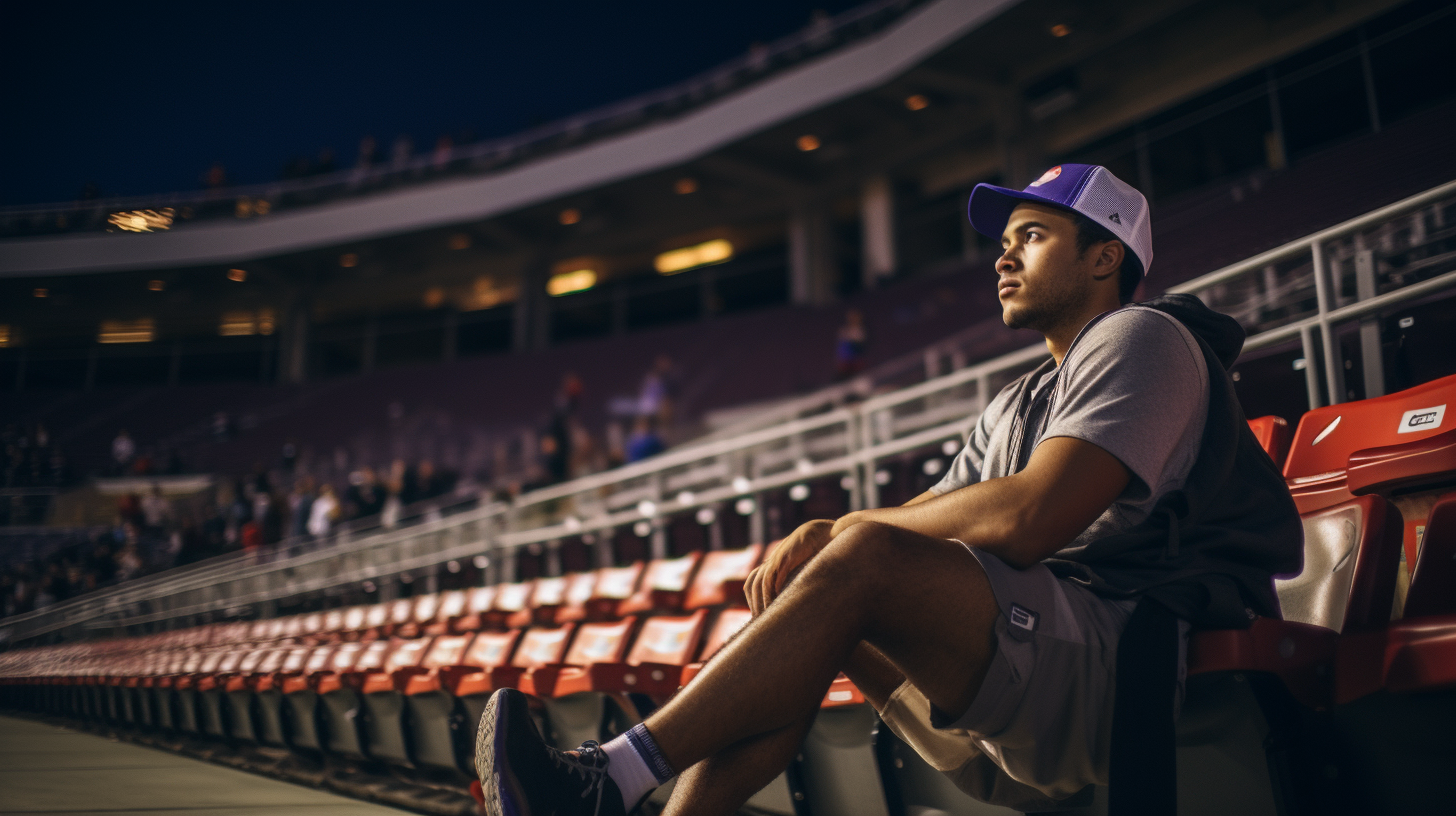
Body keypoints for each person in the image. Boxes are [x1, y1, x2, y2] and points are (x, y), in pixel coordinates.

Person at [469, 164, 1303, 816]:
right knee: (827, 578)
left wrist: (845, 529)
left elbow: (1029, 516)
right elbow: (925, 526)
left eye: (1034, 235)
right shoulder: (1022, 399)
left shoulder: (1144, 336)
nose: (1003, 255)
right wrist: (839, 538)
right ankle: (627, 801)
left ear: (1104, 257)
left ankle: (607, 781)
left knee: (859, 555)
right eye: (1005, 240)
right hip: (1051, 652)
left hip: (1141, 663)